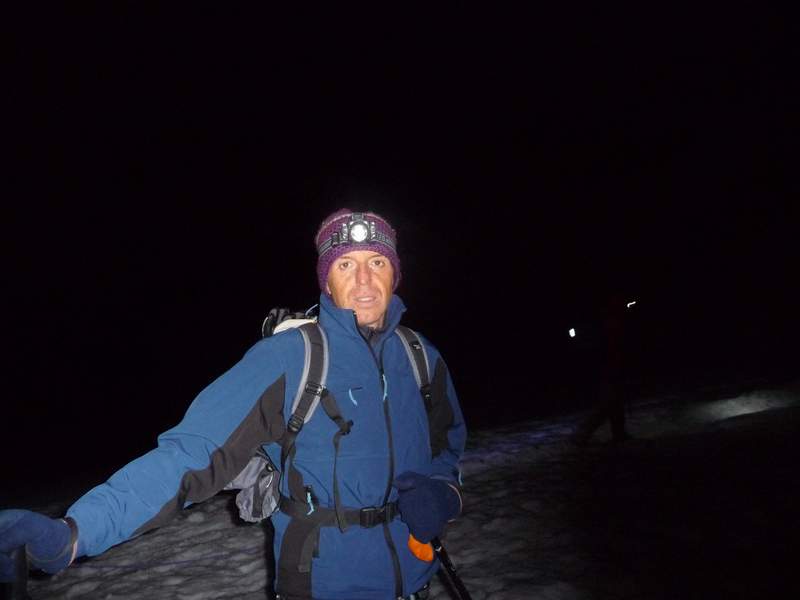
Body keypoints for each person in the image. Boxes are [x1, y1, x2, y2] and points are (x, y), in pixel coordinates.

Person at [0, 208, 467, 600]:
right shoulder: (290, 357)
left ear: (395, 273)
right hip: (323, 585)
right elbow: (191, 455)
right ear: (326, 281)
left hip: (415, 582)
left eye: (377, 262)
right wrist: (75, 532)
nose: (364, 279)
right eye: (345, 264)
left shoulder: (421, 357)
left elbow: (447, 445)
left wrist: (444, 491)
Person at [570, 290, 635, 446]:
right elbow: (603, 345)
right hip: (607, 366)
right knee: (609, 403)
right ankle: (581, 435)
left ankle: (618, 433)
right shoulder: (605, 322)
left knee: (615, 401)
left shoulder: (612, 320)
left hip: (611, 364)